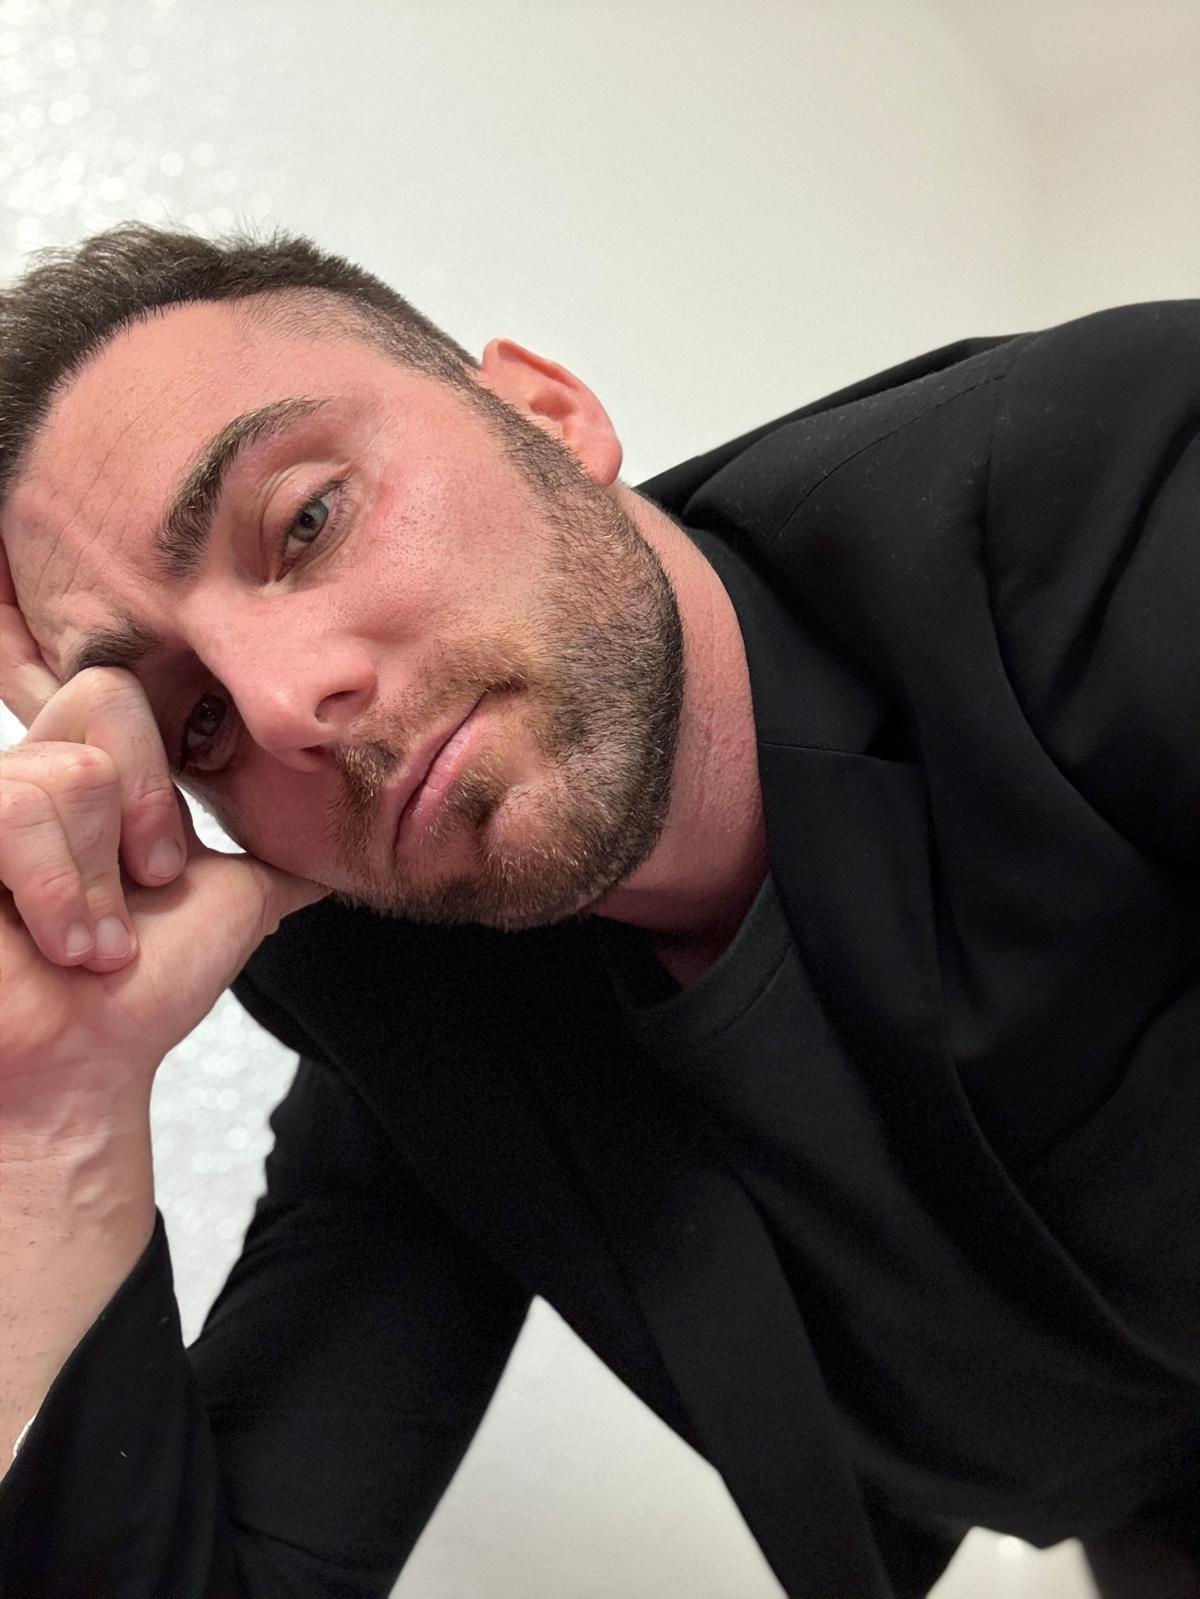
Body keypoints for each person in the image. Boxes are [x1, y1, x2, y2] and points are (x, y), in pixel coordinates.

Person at [0, 226, 1196, 1599]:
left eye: (307, 522)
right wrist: (50, 1122)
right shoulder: (407, 1016)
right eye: (195, 721)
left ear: (547, 413)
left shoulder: (1114, 491)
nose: (282, 706)